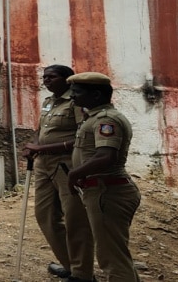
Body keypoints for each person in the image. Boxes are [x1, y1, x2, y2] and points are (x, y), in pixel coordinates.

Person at [66, 72, 141, 282]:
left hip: (107, 191)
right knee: (115, 254)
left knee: (112, 258)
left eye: (77, 93)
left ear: (96, 95)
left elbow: (105, 156)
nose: (72, 97)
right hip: (101, 190)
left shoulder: (106, 119)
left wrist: (75, 174)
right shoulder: (94, 117)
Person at [22, 65, 94, 282]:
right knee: (45, 216)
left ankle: (83, 274)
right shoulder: (48, 102)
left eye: (51, 77)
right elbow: (41, 130)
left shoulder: (77, 102)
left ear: (67, 79)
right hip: (43, 166)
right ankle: (70, 265)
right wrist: (33, 146)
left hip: (67, 166)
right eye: (44, 77)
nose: (46, 80)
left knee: (75, 219)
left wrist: (42, 148)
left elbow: (83, 137)